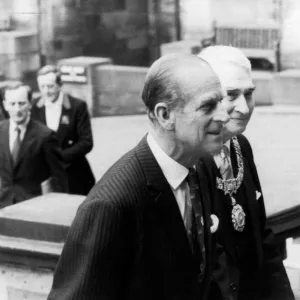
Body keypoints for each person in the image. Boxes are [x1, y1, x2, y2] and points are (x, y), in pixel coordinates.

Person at [47, 54, 230, 300]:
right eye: (208, 106)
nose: (224, 116)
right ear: (165, 115)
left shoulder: (197, 168)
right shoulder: (110, 206)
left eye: (221, 102)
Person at [198, 46, 295, 300]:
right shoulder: (190, 160)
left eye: (249, 93)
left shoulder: (241, 146)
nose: (244, 107)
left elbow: (262, 238)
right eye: (231, 95)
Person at [0, 83, 68, 208]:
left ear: (30, 104)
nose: (17, 109)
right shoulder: (1, 130)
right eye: (12, 104)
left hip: (32, 207)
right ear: (5, 105)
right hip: (3, 206)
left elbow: (59, 178)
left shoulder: (45, 136)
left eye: (21, 103)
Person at [31, 65, 95, 195]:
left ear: (60, 85)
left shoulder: (77, 106)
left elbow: (86, 142)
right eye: (42, 87)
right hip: (46, 175)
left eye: (50, 86)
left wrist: (58, 159)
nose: (46, 91)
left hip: (74, 174)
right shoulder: (34, 107)